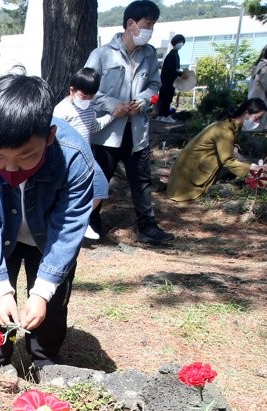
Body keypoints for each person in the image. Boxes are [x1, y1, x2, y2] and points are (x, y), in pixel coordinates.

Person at [0, 74, 96, 373]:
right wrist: (1, 289)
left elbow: (68, 226)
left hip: (48, 240)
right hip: (1, 239)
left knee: (52, 303)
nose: (10, 168)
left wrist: (43, 290)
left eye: (25, 157)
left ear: (49, 137)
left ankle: (45, 364)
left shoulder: (74, 158)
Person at [84, 0, 175, 246]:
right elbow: (87, 90)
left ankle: (147, 227)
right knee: (99, 180)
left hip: (136, 132)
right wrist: (114, 105)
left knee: (142, 181)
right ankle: (90, 225)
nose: (151, 30)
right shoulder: (102, 54)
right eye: (147, 24)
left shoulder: (149, 54)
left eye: (153, 25)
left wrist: (144, 101)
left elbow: (155, 86)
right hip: (106, 132)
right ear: (131, 24)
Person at [53, 67, 118, 241]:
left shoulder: (89, 108)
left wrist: (113, 116)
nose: (87, 100)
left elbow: (93, 127)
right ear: (72, 90)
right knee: (69, 194)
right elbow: (55, 137)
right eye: (84, 96)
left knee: (100, 188)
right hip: (68, 158)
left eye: (91, 96)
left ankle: (80, 220)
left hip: (87, 156)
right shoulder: (61, 111)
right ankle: (69, 224)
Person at [166, 98, 267, 201]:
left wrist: (235, 148)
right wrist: (252, 168)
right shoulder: (225, 130)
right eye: (257, 118)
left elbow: (231, 145)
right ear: (246, 113)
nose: (258, 122)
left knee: (239, 158)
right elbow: (228, 161)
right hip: (186, 184)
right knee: (237, 161)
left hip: (184, 175)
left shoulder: (229, 124)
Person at [248, 43, 267, 131]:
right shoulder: (264, 67)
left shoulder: (258, 64)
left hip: (254, 94)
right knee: (258, 117)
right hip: (261, 95)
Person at [156, 34, 185, 123]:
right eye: (180, 42)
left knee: (164, 98)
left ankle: (161, 115)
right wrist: (181, 73)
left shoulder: (173, 54)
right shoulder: (173, 55)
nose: (181, 44)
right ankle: (165, 115)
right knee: (167, 98)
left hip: (166, 81)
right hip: (168, 81)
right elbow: (172, 70)